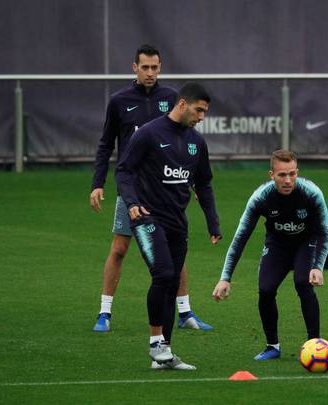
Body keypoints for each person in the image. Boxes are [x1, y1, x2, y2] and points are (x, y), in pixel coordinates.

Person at [90, 44, 212, 332]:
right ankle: (104, 312)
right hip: (133, 190)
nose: (150, 72)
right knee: (119, 249)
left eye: (154, 67)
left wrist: (192, 180)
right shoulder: (119, 101)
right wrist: (98, 183)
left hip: (166, 189)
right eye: (144, 67)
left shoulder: (171, 98)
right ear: (134, 68)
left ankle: (185, 312)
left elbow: (184, 141)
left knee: (173, 250)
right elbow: (106, 144)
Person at [115, 82, 221, 370]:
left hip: (177, 221)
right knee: (162, 274)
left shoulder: (196, 143)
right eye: (199, 110)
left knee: (172, 282)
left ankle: (165, 355)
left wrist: (213, 222)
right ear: (182, 104)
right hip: (147, 218)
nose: (202, 116)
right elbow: (123, 171)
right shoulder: (148, 134)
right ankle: (154, 344)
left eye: (205, 112)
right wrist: (132, 201)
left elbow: (204, 184)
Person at [212, 150, 328, 360]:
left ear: (297, 172)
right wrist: (225, 278)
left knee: (303, 282)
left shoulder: (312, 193)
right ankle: (272, 346)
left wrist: (317, 266)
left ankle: (315, 344)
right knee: (266, 289)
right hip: (278, 245)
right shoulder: (260, 198)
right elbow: (240, 238)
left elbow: (324, 232)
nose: (288, 180)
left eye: (292, 174)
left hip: (306, 242)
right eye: (282, 175)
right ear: (271, 175)